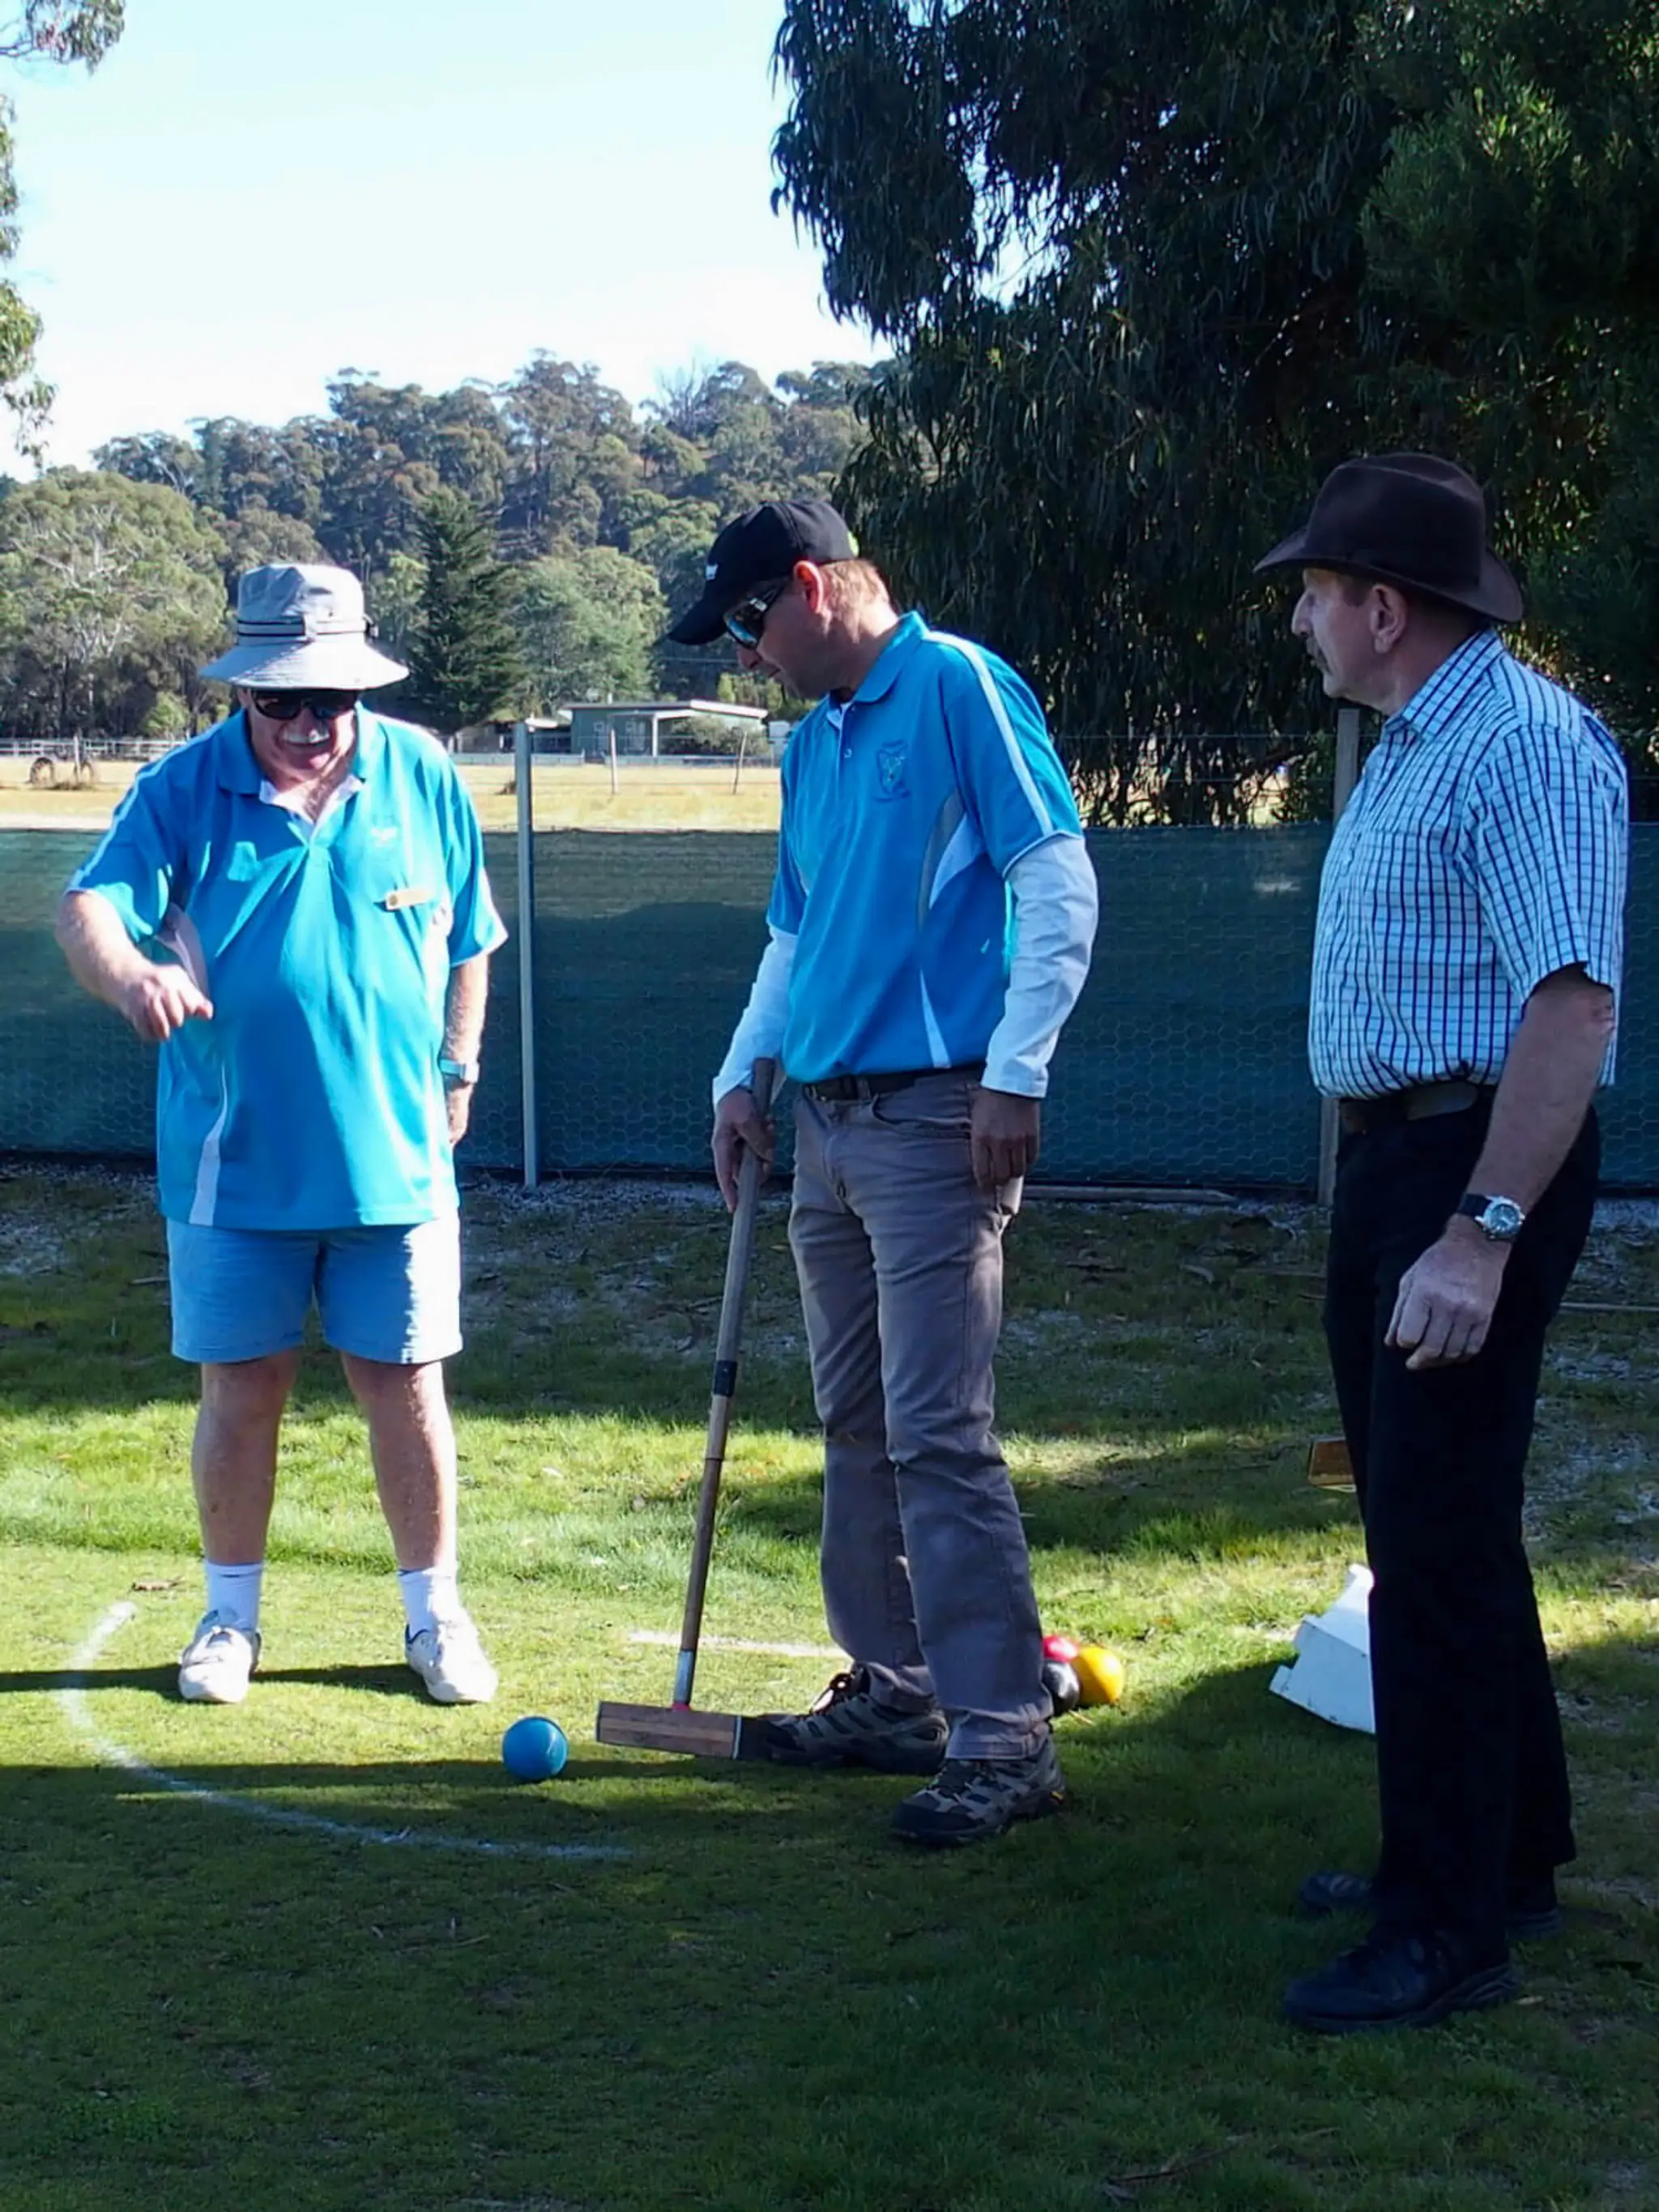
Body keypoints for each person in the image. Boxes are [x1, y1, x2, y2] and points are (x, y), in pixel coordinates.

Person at [1254, 454, 1627, 2031]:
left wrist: (1480, 1231)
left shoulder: (1524, 746)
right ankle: (1507, 1854)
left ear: (1385, 607)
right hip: (1400, 1163)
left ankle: (1444, 1928)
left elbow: (1572, 1002)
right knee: (1439, 1532)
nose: (1302, 622)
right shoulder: (1422, 739)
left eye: (1315, 595)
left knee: (1436, 1549)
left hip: (1468, 1172)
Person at [667, 499, 1098, 1847]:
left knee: (937, 1430)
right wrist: (741, 1079)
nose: (748, 656)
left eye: (750, 622)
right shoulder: (813, 748)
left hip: (937, 1117)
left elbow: (1058, 876)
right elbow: (793, 941)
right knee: (855, 1423)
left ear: (812, 586)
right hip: (828, 1126)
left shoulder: (958, 683)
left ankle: (1004, 1735)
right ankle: (898, 1689)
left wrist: (1018, 1071)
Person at [56, 563, 507, 1709]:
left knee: (405, 1383)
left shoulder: (424, 773)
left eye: (333, 699)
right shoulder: (178, 789)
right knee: (242, 1387)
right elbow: (88, 908)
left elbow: (470, 938)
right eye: (281, 701)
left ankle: (435, 1614)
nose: (311, 723)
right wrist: (131, 978)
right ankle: (229, 1618)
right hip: (233, 1164)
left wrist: (460, 1067)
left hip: (397, 1165)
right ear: (242, 693)